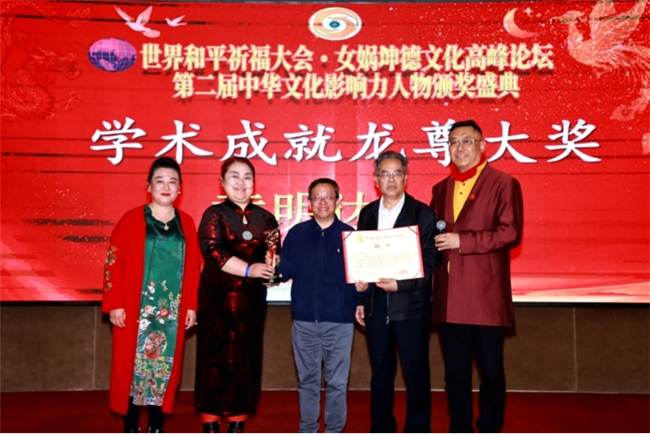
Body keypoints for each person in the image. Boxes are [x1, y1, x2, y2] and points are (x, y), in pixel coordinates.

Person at [430, 120, 524, 433]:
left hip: (484, 298)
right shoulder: (440, 189)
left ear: (482, 146)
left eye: (467, 141)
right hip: (449, 299)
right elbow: (431, 238)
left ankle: (489, 427)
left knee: (491, 372)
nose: (459, 147)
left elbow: (510, 232)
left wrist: (463, 241)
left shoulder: (503, 183)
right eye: (454, 141)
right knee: (455, 374)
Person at [101, 156, 201, 433]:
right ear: (149, 186)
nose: (166, 187)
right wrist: (115, 303)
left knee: (163, 369)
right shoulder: (131, 219)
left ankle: (156, 425)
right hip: (136, 309)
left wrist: (191, 306)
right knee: (132, 368)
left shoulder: (186, 223)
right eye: (160, 181)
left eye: (172, 182)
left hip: (171, 312)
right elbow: (113, 263)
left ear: (180, 189)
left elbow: (194, 268)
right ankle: (131, 425)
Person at [194, 156, 279, 434]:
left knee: (246, 360)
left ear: (254, 183)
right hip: (216, 302)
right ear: (222, 182)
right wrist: (250, 269)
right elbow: (213, 252)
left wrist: (272, 265)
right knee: (213, 360)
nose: (241, 183)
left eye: (247, 177)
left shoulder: (266, 218)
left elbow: (273, 256)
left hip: (251, 304)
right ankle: (210, 423)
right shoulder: (214, 214)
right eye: (234, 176)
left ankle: (237, 424)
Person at [355, 150, 436, 433]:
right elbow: (361, 259)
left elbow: (430, 262)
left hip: (411, 307)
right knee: (380, 374)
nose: (391, 179)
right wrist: (361, 293)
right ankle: (381, 427)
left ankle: (418, 428)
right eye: (385, 174)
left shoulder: (422, 213)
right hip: (376, 307)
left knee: (416, 374)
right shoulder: (367, 213)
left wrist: (400, 284)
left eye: (397, 173)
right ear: (376, 179)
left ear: (406, 177)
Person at [277, 178, 365, 433]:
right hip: (304, 321)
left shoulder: (351, 236)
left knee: (337, 383)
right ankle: (308, 429)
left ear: (338, 201)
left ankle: (334, 429)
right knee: (307, 382)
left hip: (339, 322)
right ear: (309, 203)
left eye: (328, 196)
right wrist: (271, 264)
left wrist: (363, 289)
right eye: (317, 197)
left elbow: (362, 279)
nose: (323, 202)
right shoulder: (297, 234)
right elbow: (284, 271)